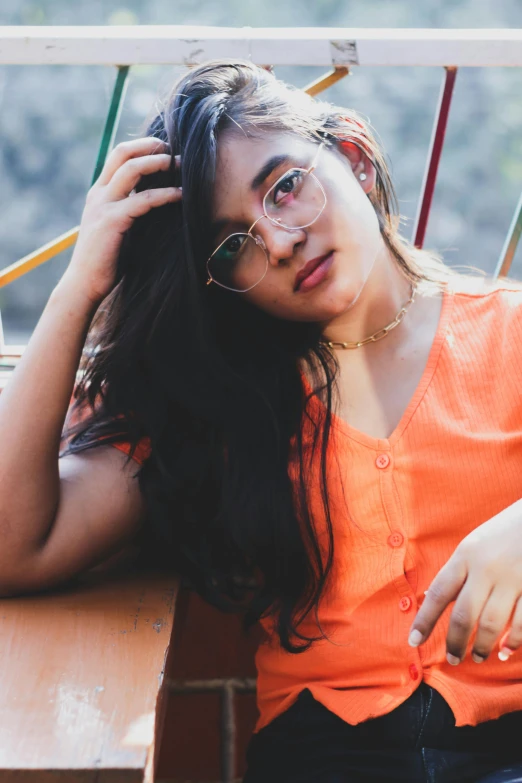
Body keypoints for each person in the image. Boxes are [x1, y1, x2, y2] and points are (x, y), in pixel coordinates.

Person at [1, 58, 522, 783]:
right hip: (327, 758)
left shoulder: (510, 331)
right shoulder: (217, 404)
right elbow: (14, 545)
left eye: (285, 187)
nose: (277, 243)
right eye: (233, 244)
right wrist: (81, 280)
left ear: (354, 157)